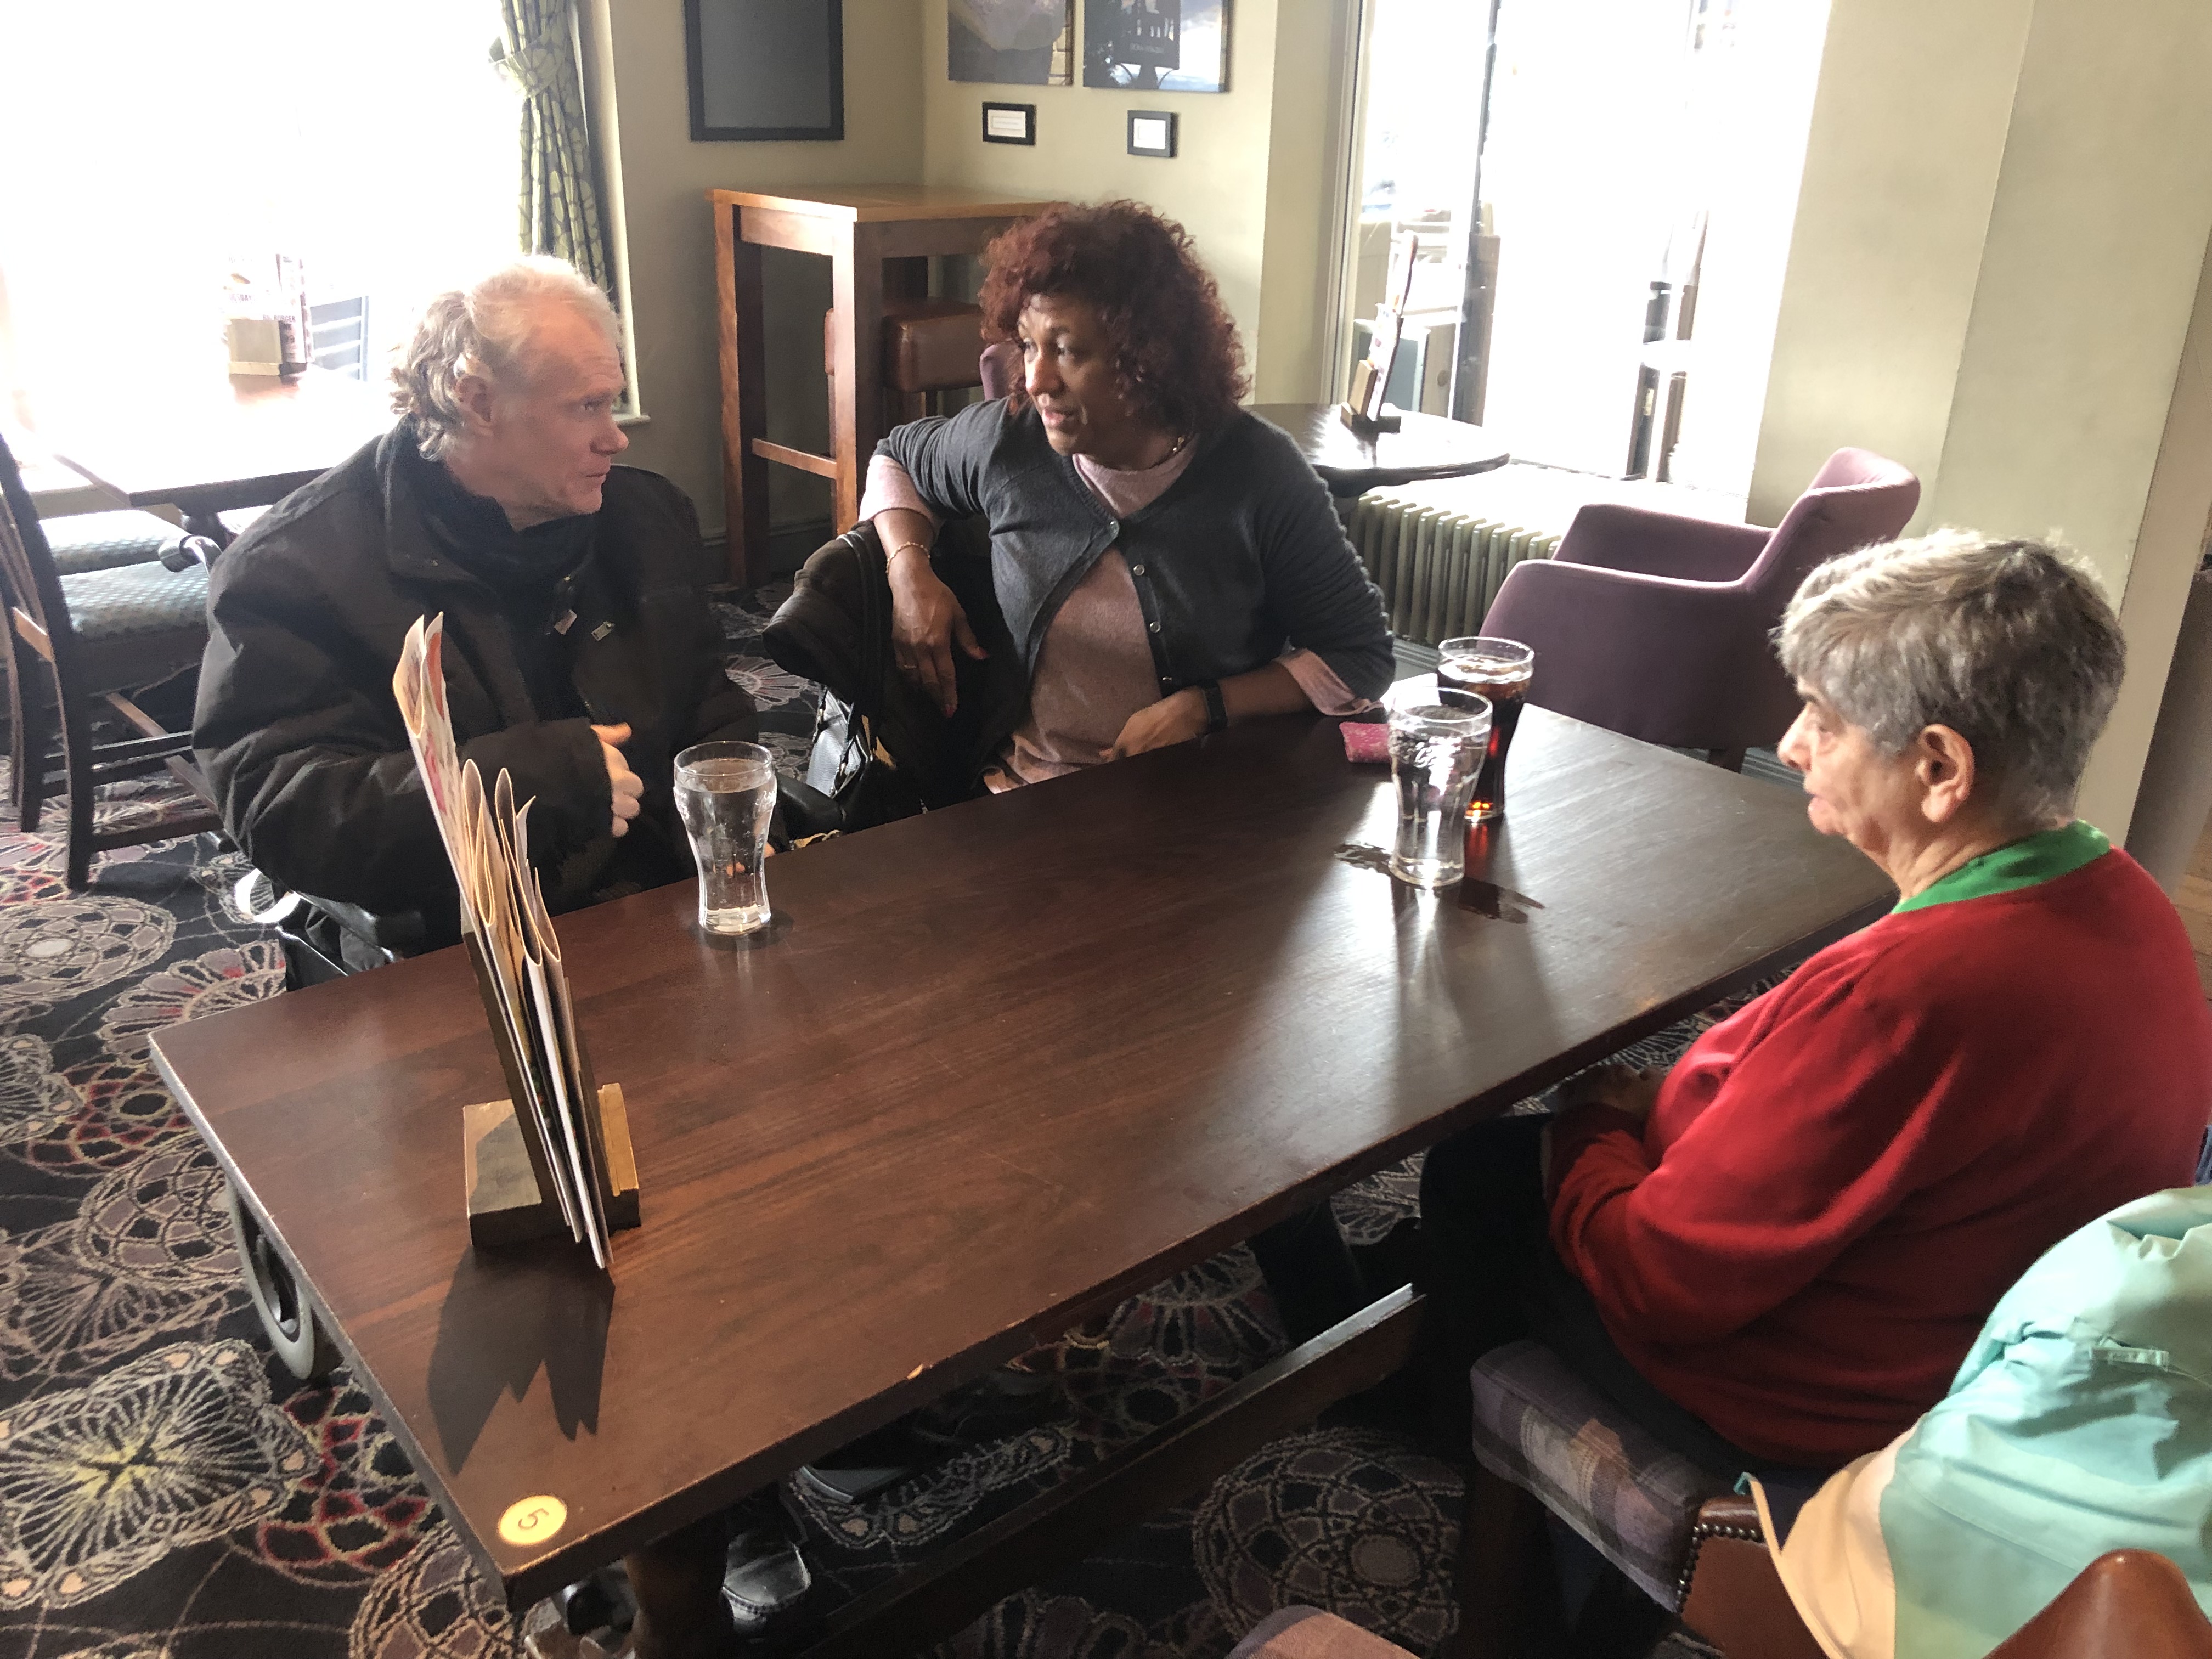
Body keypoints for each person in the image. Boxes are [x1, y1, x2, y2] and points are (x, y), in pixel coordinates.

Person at [1418, 530, 2212, 1477]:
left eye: (1821, 719)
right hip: (1958, 1325)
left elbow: (1656, 1280)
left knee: (1477, 1171)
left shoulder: (1917, 990)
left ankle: (1438, 1434)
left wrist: (1591, 1118)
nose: (1791, 745)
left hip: (1814, 1401)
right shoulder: (2125, 894)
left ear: (1938, 768)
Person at [195, 257, 759, 952]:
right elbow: (284, 812)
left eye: (611, 403)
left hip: (668, 903)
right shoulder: (297, 568)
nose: (614, 436)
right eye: (586, 406)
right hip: (463, 940)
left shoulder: (645, 515)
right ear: (478, 402)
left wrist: (735, 841)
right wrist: (530, 785)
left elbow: (707, 702)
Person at [862, 198, 1393, 791]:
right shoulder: (1009, 442)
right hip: (1022, 805)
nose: (1036, 380)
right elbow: (895, 456)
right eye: (1030, 346)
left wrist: (1207, 706)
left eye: (1067, 350)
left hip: (1199, 811)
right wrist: (908, 572)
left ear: (1147, 359)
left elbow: (1360, 655)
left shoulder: (1257, 472)